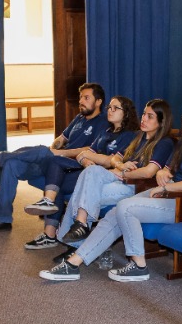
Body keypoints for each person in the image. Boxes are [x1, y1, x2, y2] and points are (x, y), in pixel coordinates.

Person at [40, 103, 182, 283]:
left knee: (125, 207)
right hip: (168, 195)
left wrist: (164, 187)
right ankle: (74, 263)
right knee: (115, 213)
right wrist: (163, 173)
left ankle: (139, 265)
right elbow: (167, 170)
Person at [0, 82, 109, 235]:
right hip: (54, 162)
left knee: (43, 151)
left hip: (71, 166)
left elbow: (89, 150)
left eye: (86, 98)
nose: (81, 101)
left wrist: (59, 153)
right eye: (81, 97)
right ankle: (2, 218)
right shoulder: (79, 118)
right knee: (12, 164)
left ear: (98, 101)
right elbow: (62, 138)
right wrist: (55, 147)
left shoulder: (103, 123)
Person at [22, 96, 140, 249]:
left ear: (127, 113)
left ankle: (50, 231)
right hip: (87, 169)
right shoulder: (106, 131)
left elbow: (109, 161)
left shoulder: (130, 135)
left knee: (56, 183)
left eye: (115, 108)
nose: (110, 111)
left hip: (103, 176)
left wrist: (89, 156)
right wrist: (85, 159)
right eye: (109, 107)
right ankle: (49, 207)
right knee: (55, 162)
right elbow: (83, 154)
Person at [55, 100, 174, 245]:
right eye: (143, 114)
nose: (143, 119)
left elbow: (148, 172)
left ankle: (73, 238)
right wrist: (121, 165)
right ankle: (80, 225)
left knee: (81, 193)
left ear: (161, 122)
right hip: (118, 177)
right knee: (91, 171)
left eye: (150, 116)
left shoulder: (164, 142)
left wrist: (124, 173)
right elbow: (117, 157)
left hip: (134, 186)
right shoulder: (138, 136)